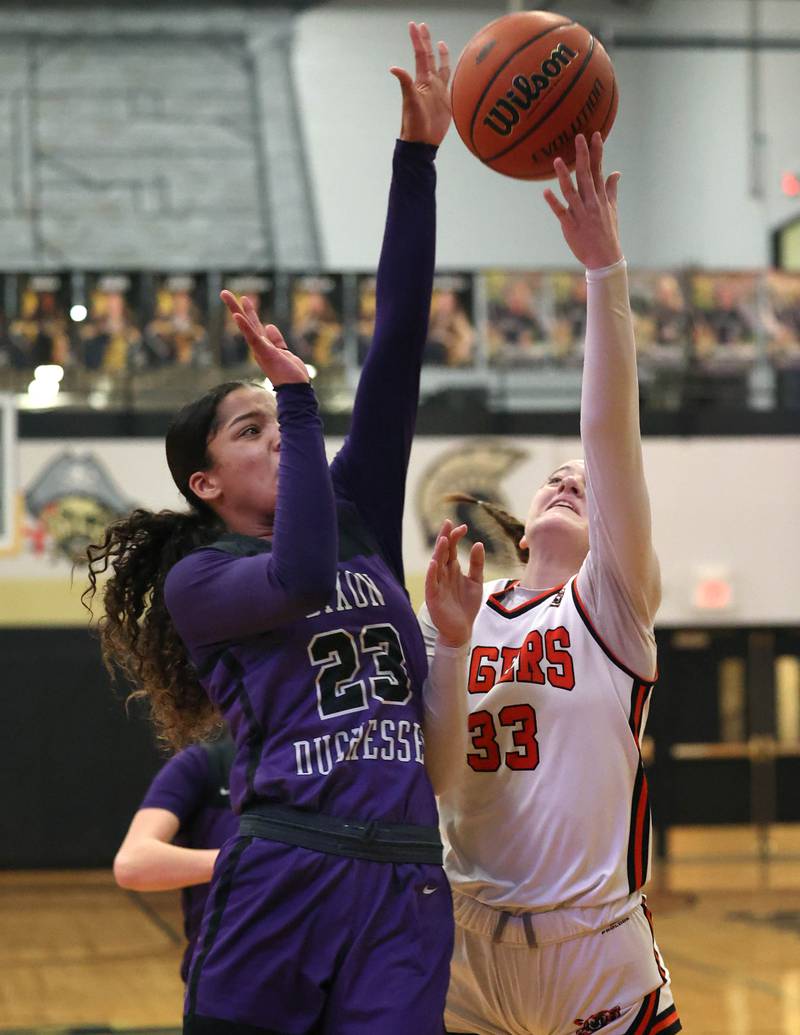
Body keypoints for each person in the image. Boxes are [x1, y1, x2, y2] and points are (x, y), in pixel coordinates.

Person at [86, 23, 485, 1035]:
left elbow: (396, 337)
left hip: (401, 874)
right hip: (286, 866)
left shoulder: (355, 510)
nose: (273, 437)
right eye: (248, 429)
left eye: (275, 422)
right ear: (205, 479)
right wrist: (297, 401)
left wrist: (417, 158)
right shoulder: (202, 579)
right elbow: (302, 574)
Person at [419, 133, 682, 1035]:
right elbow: (439, 775)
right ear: (525, 526)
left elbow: (611, 440)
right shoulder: (464, 614)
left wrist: (605, 272)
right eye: (554, 477)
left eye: (585, 480)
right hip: (460, 942)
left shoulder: (610, 607)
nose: (574, 477)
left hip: (594, 949)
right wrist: (449, 648)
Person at [113, 734, 238, 983]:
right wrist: (253, 862)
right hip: (224, 983)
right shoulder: (207, 764)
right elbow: (132, 864)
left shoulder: (327, 769)